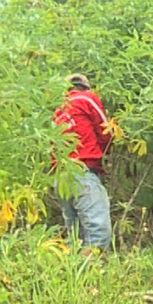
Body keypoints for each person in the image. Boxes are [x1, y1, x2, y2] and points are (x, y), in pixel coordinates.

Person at [53, 73, 113, 252]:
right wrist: (103, 153)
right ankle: (93, 273)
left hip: (60, 176)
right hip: (82, 171)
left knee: (76, 235)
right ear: (85, 87)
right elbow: (107, 133)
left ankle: (74, 276)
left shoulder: (57, 111)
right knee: (98, 229)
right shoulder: (86, 98)